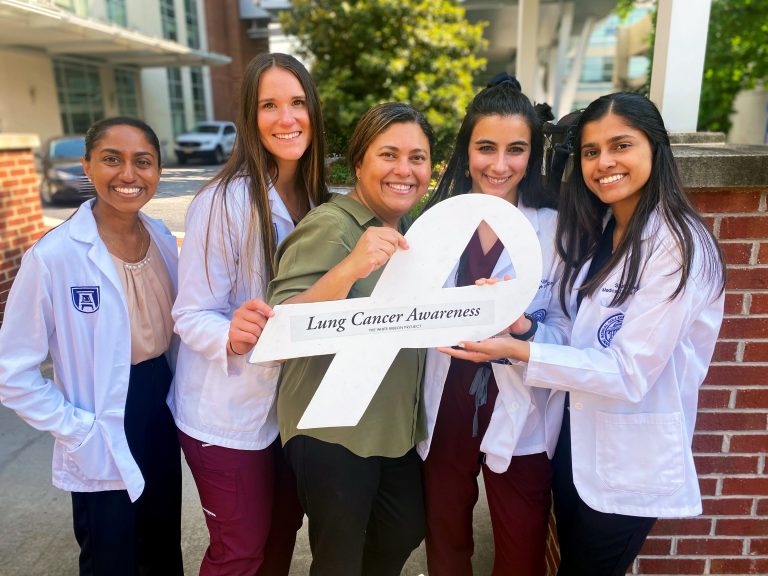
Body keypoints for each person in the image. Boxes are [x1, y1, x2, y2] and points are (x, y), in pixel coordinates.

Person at [441, 92, 726, 576]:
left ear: (655, 149)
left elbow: (629, 372)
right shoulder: (607, 234)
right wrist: (524, 325)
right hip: (580, 447)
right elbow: (582, 340)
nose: (605, 163)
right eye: (592, 151)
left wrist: (519, 348)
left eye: (621, 146)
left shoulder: (678, 246)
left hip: (628, 461)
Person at [0, 117, 183, 575]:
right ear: (87, 165)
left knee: (162, 541)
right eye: (111, 159)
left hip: (159, 404)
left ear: (158, 171)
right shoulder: (55, 255)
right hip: (100, 414)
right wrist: (75, 429)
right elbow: (13, 372)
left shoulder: (162, 240)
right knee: (111, 552)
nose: (128, 175)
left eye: (143, 162)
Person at [168, 52, 326, 576]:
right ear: (249, 117)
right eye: (270, 105)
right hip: (226, 414)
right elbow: (190, 313)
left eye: (298, 102)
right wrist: (231, 333)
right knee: (240, 550)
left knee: (281, 535)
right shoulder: (221, 201)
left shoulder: (322, 200)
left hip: (290, 413)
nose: (287, 118)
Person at [267, 102, 433, 576]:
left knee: (403, 528)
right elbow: (279, 329)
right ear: (359, 163)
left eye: (417, 157)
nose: (405, 170)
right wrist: (349, 268)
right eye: (389, 155)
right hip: (331, 429)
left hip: (390, 427)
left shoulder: (414, 235)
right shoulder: (331, 226)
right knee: (338, 561)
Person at [418, 74, 570, 575]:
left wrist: (522, 328)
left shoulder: (557, 230)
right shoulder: (439, 223)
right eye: (486, 148)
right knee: (445, 530)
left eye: (516, 149)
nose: (499, 165)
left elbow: (572, 335)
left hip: (519, 398)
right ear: (466, 151)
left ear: (533, 154)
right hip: (448, 393)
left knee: (521, 540)